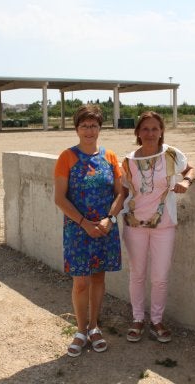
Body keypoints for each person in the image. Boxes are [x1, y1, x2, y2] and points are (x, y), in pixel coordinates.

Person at [54, 105, 124, 357]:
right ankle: (80, 330)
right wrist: (84, 223)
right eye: (84, 125)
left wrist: (109, 219)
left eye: (93, 125)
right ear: (77, 129)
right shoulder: (67, 157)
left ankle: (94, 327)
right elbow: (60, 199)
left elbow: (120, 194)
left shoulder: (111, 157)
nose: (89, 130)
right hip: (78, 230)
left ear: (99, 128)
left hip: (105, 229)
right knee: (81, 283)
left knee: (98, 279)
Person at [120, 111, 195, 343]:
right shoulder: (128, 161)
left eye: (154, 129)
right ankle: (137, 320)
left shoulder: (172, 154)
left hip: (164, 225)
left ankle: (156, 320)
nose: (150, 133)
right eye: (145, 129)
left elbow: (190, 169)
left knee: (160, 276)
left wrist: (185, 182)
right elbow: (123, 190)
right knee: (137, 274)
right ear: (138, 132)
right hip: (134, 224)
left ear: (161, 131)